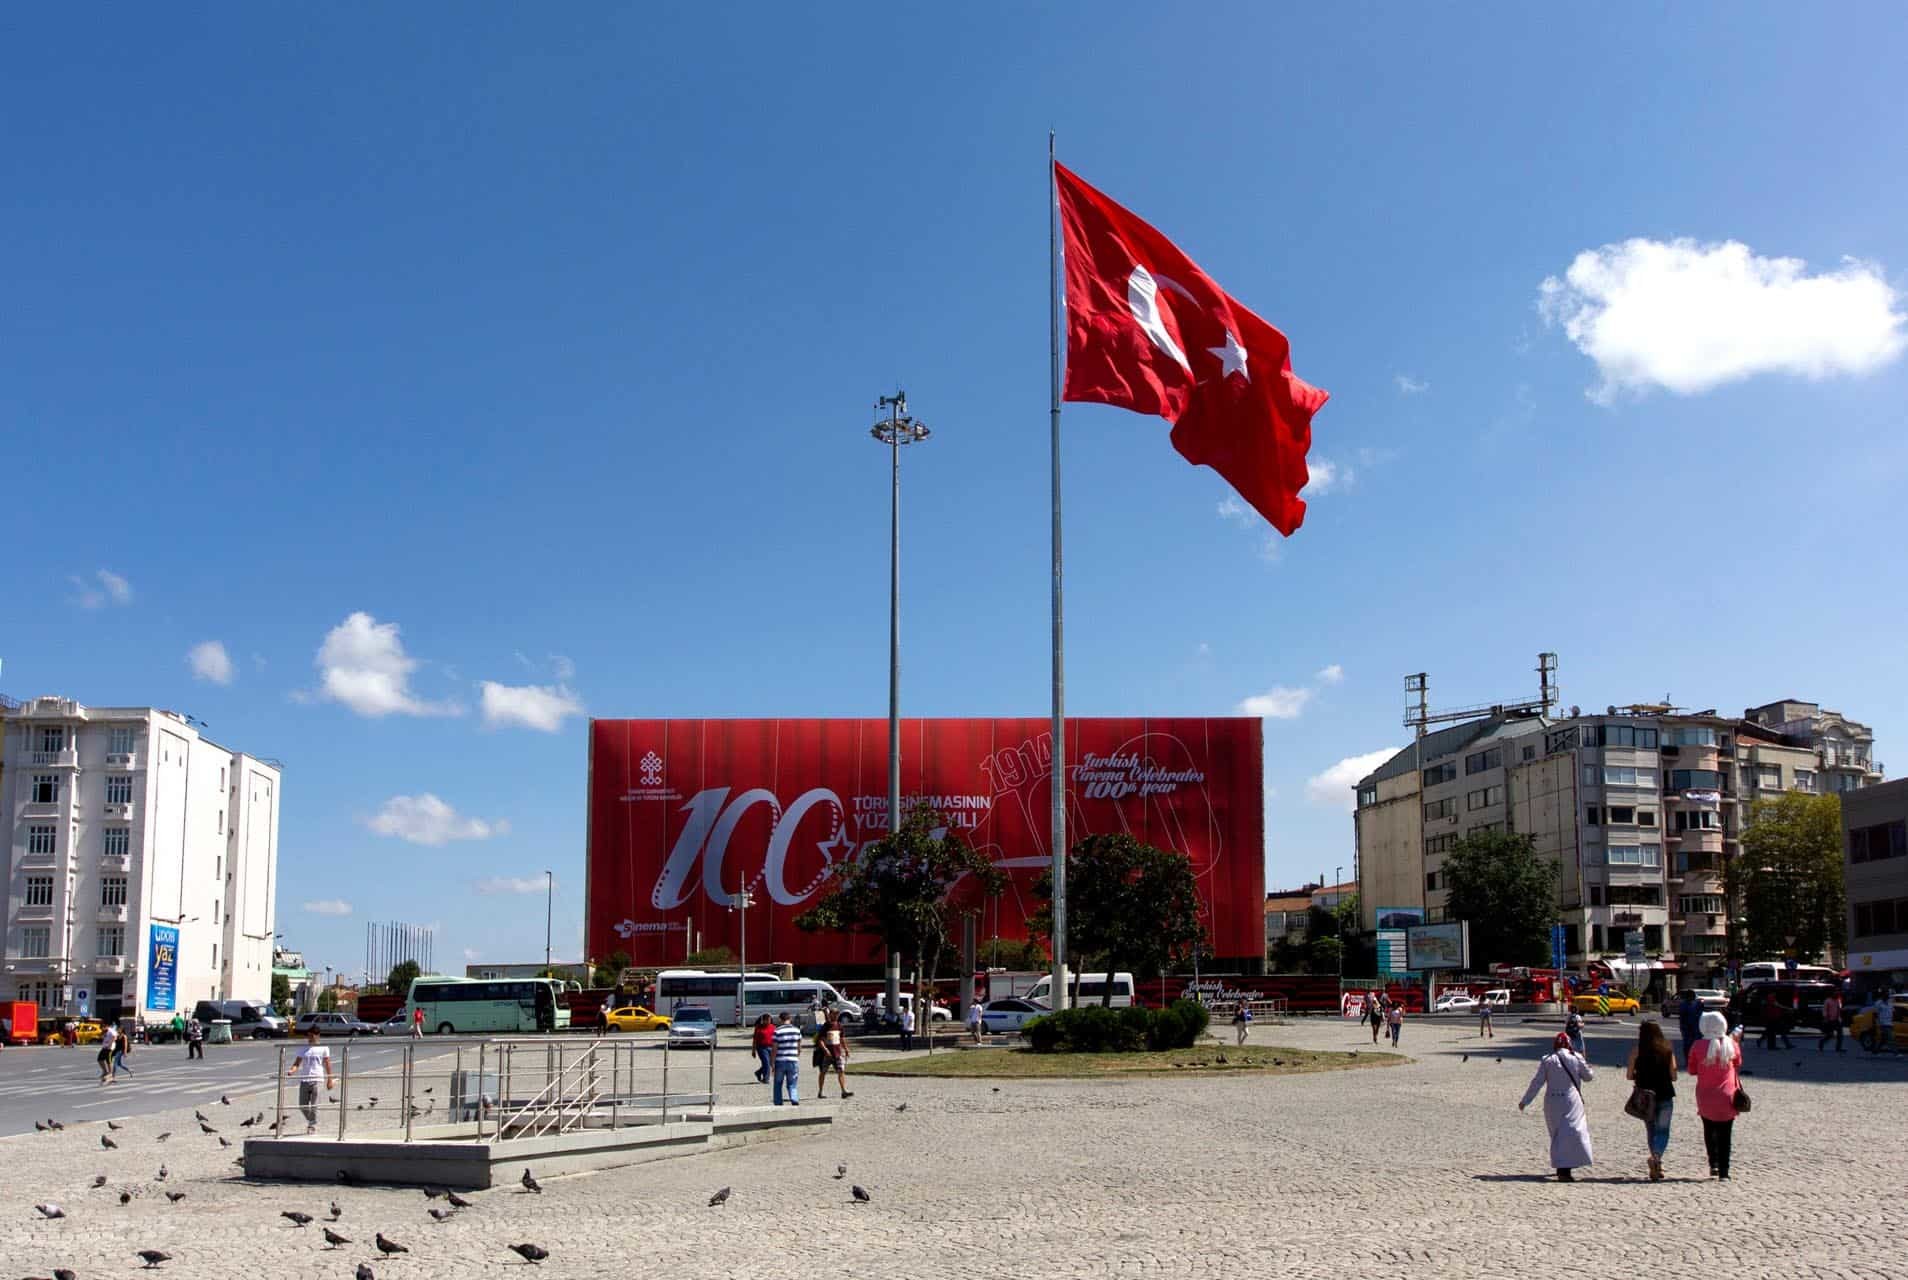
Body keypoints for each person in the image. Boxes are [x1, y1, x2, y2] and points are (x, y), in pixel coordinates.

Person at [1519, 1032, 1595, 1180]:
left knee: (1557, 1135)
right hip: (1571, 1100)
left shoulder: (1547, 1060)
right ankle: (1566, 1168)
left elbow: (1537, 1082)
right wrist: (1589, 1067)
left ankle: (1562, 1166)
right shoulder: (1577, 1057)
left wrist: (1525, 1101)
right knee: (1573, 1132)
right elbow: (1589, 1077)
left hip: (1552, 1101)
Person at [1687, 1010, 1743, 1179]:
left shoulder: (1697, 1045)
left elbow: (1692, 1070)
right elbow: (1738, 1063)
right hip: (1728, 1096)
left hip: (1705, 1096)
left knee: (1709, 1131)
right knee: (1726, 1135)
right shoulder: (1732, 1045)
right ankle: (1725, 1173)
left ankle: (1714, 1165)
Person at [1625, 1021, 1679, 1181]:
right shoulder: (1668, 1048)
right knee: (1663, 1130)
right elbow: (1674, 1075)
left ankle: (1656, 1162)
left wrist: (1638, 1075)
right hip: (1664, 1093)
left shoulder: (1637, 1051)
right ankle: (1656, 1158)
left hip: (1645, 1096)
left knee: (1651, 1129)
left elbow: (1628, 1075)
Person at [287, 1028, 336, 1135]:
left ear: (317, 1035)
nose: (309, 1038)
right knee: (302, 1105)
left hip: (317, 1079)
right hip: (305, 1079)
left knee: (314, 1105)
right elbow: (297, 1063)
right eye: (308, 1036)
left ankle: (311, 1125)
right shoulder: (303, 1048)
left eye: (311, 1036)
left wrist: (330, 1079)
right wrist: (292, 1070)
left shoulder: (323, 1048)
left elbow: (327, 1064)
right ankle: (312, 1120)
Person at [816, 1009, 853, 1099]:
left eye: (837, 1014)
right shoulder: (826, 1026)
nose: (835, 1016)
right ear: (830, 1014)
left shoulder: (839, 1026)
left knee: (841, 1071)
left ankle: (844, 1091)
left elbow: (841, 1039)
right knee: (823, 1072)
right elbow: (820, 1040)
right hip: (827, 1054)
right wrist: (825, 1050)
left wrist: (846, 1049)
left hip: (837, 1053)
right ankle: (820, 1092)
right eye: (834, 1014)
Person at [771, 1012, 803, 1106]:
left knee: (778, 1083)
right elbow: (799, 1047)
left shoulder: (777, 1031)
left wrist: (772, 1063)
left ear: (780, 1019)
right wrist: (796, 1056)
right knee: (792, 1083)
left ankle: (778, 1102)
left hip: (780, 1060)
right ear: (790, 1019)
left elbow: (774, 1049)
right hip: (793, 1060)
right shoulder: (797, 1030)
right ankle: (794, 1098)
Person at [1676, 990, 1703, 1057]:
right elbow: (1682, 1017)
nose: (1693, 998)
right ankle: (1688, 1058)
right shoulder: (1684, 1004)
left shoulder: (1697, 1003)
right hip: (1688, 1028)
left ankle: (1693, 1057)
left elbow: (1700, 1013)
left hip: (1695, 1027)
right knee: (1688, 1044)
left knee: (1694, 1043)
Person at [750, 1014, 774, 1084]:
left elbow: (776, 1038)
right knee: (766, 1062)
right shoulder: (758, 1028)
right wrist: (753, 1051)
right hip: (761, 1048)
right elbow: (755, 1040)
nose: (769, 1021)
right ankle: (766, 1078)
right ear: (763, 1020)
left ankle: (758, 1072)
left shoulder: (773, 1027)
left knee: (769, 1063)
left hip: (771, 1047)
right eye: (767, 1020)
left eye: (770, 1020)